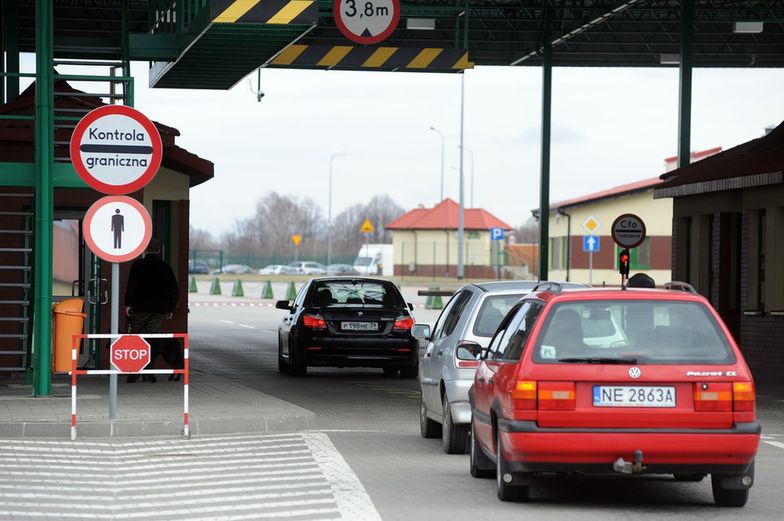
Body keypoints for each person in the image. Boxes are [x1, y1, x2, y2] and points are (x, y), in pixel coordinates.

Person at [124, 238, 179, 383]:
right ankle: (149, 373)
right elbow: (173, 289)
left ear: (145, 250)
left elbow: (132, 285)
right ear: (159, 250)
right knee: (152, 341)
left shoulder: (138, 265)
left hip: (140, 309)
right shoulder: (165, 267)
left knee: (137, 341)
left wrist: (128, 304)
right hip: (158, 310)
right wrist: (170, 307)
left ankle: (134, 372)